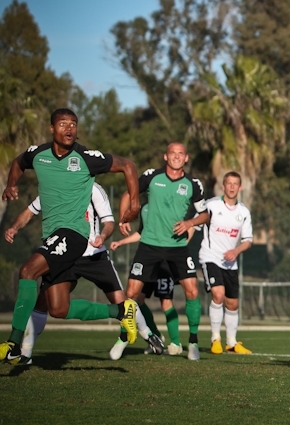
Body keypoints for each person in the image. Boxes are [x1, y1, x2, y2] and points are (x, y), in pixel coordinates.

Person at [0, 108, 140, 364]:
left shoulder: (86, 157)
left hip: (73, 234)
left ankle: (14, 344)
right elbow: (19, 162)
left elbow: (128, 166)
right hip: (53, 237)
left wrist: (134, 204)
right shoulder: (38, 154)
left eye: (73, 124)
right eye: (63, 123)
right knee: (58, 308)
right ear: (52, 129)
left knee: (27, 271)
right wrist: (11, 184)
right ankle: (121, 309)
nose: (69, 128)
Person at [4, 183, 164, 363]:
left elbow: (109, 222)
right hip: (65, 254)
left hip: (93, 255)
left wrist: (102, 237)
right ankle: (25, 353)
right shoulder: (54, 185)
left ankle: (148, 335)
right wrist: (14, 227)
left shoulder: (93, 188)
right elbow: (30, 211)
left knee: (123, 301)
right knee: (46, 303)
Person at [118, 142, 209, 361]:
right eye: (172, 153)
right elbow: (127, 194)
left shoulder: (193, 184)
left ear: (186, 158)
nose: (176, 156)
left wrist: (190, 223)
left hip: (177, 247)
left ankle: (193, 342)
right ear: (165, 156)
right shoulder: (151, 177)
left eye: (180, 154)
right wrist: (123, 217)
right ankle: (123, 337)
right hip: (149, 245)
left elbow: (205, 215)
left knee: (192, 291)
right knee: (130, 294)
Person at [110, 204, 187, 357]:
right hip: (148, 260)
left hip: (165, 261)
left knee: (166, 302)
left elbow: (186, 229)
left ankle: (176, 343)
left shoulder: (174, 207)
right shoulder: (145, 209)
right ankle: (155, 336)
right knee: (136, 299)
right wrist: (121, 242)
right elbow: (141, 233)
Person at [199, 171, 253, 355]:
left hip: (231, 264)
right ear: (223, 186)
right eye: (228, 183)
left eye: (235, 183)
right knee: (218, 294)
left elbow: (248, 240)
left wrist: (236, 251)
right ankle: (215, 339)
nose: (231, 186)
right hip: (210, 257)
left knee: (232, 304)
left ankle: (231, 342)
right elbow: (196, 224)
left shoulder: (244, 212)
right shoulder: (211, 205)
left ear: (240, 187)